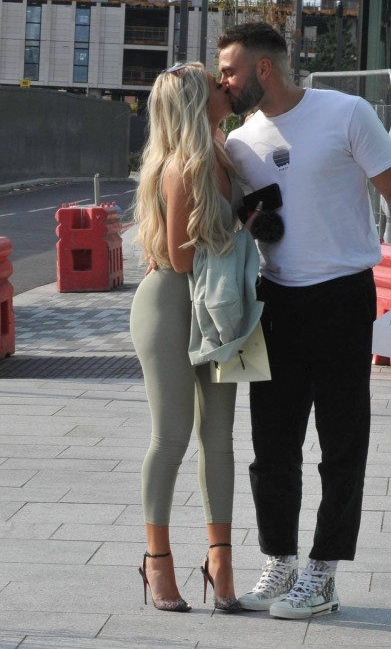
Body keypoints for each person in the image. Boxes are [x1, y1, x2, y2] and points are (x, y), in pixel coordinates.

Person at [217, 22, 391, 620]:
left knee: (342, 443)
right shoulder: (239, 142)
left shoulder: (347, 112)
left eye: (230, 70)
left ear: (263, 68)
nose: (223, 81)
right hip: (274, 302)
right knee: (271, 446)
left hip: (342, 298)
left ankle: (324, 572)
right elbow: (239, 218)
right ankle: (280, 562)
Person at [130, 62, 244, 614]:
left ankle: (220, 561)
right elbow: (178, 257)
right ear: (198, 103)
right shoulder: (183, 166)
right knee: (172, 437)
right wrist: (239, 235)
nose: (226, 88)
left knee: (219, 438)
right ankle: (157, 560)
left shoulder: (224, 153)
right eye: (216, 85)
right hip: (171, 306)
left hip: (216, 305)